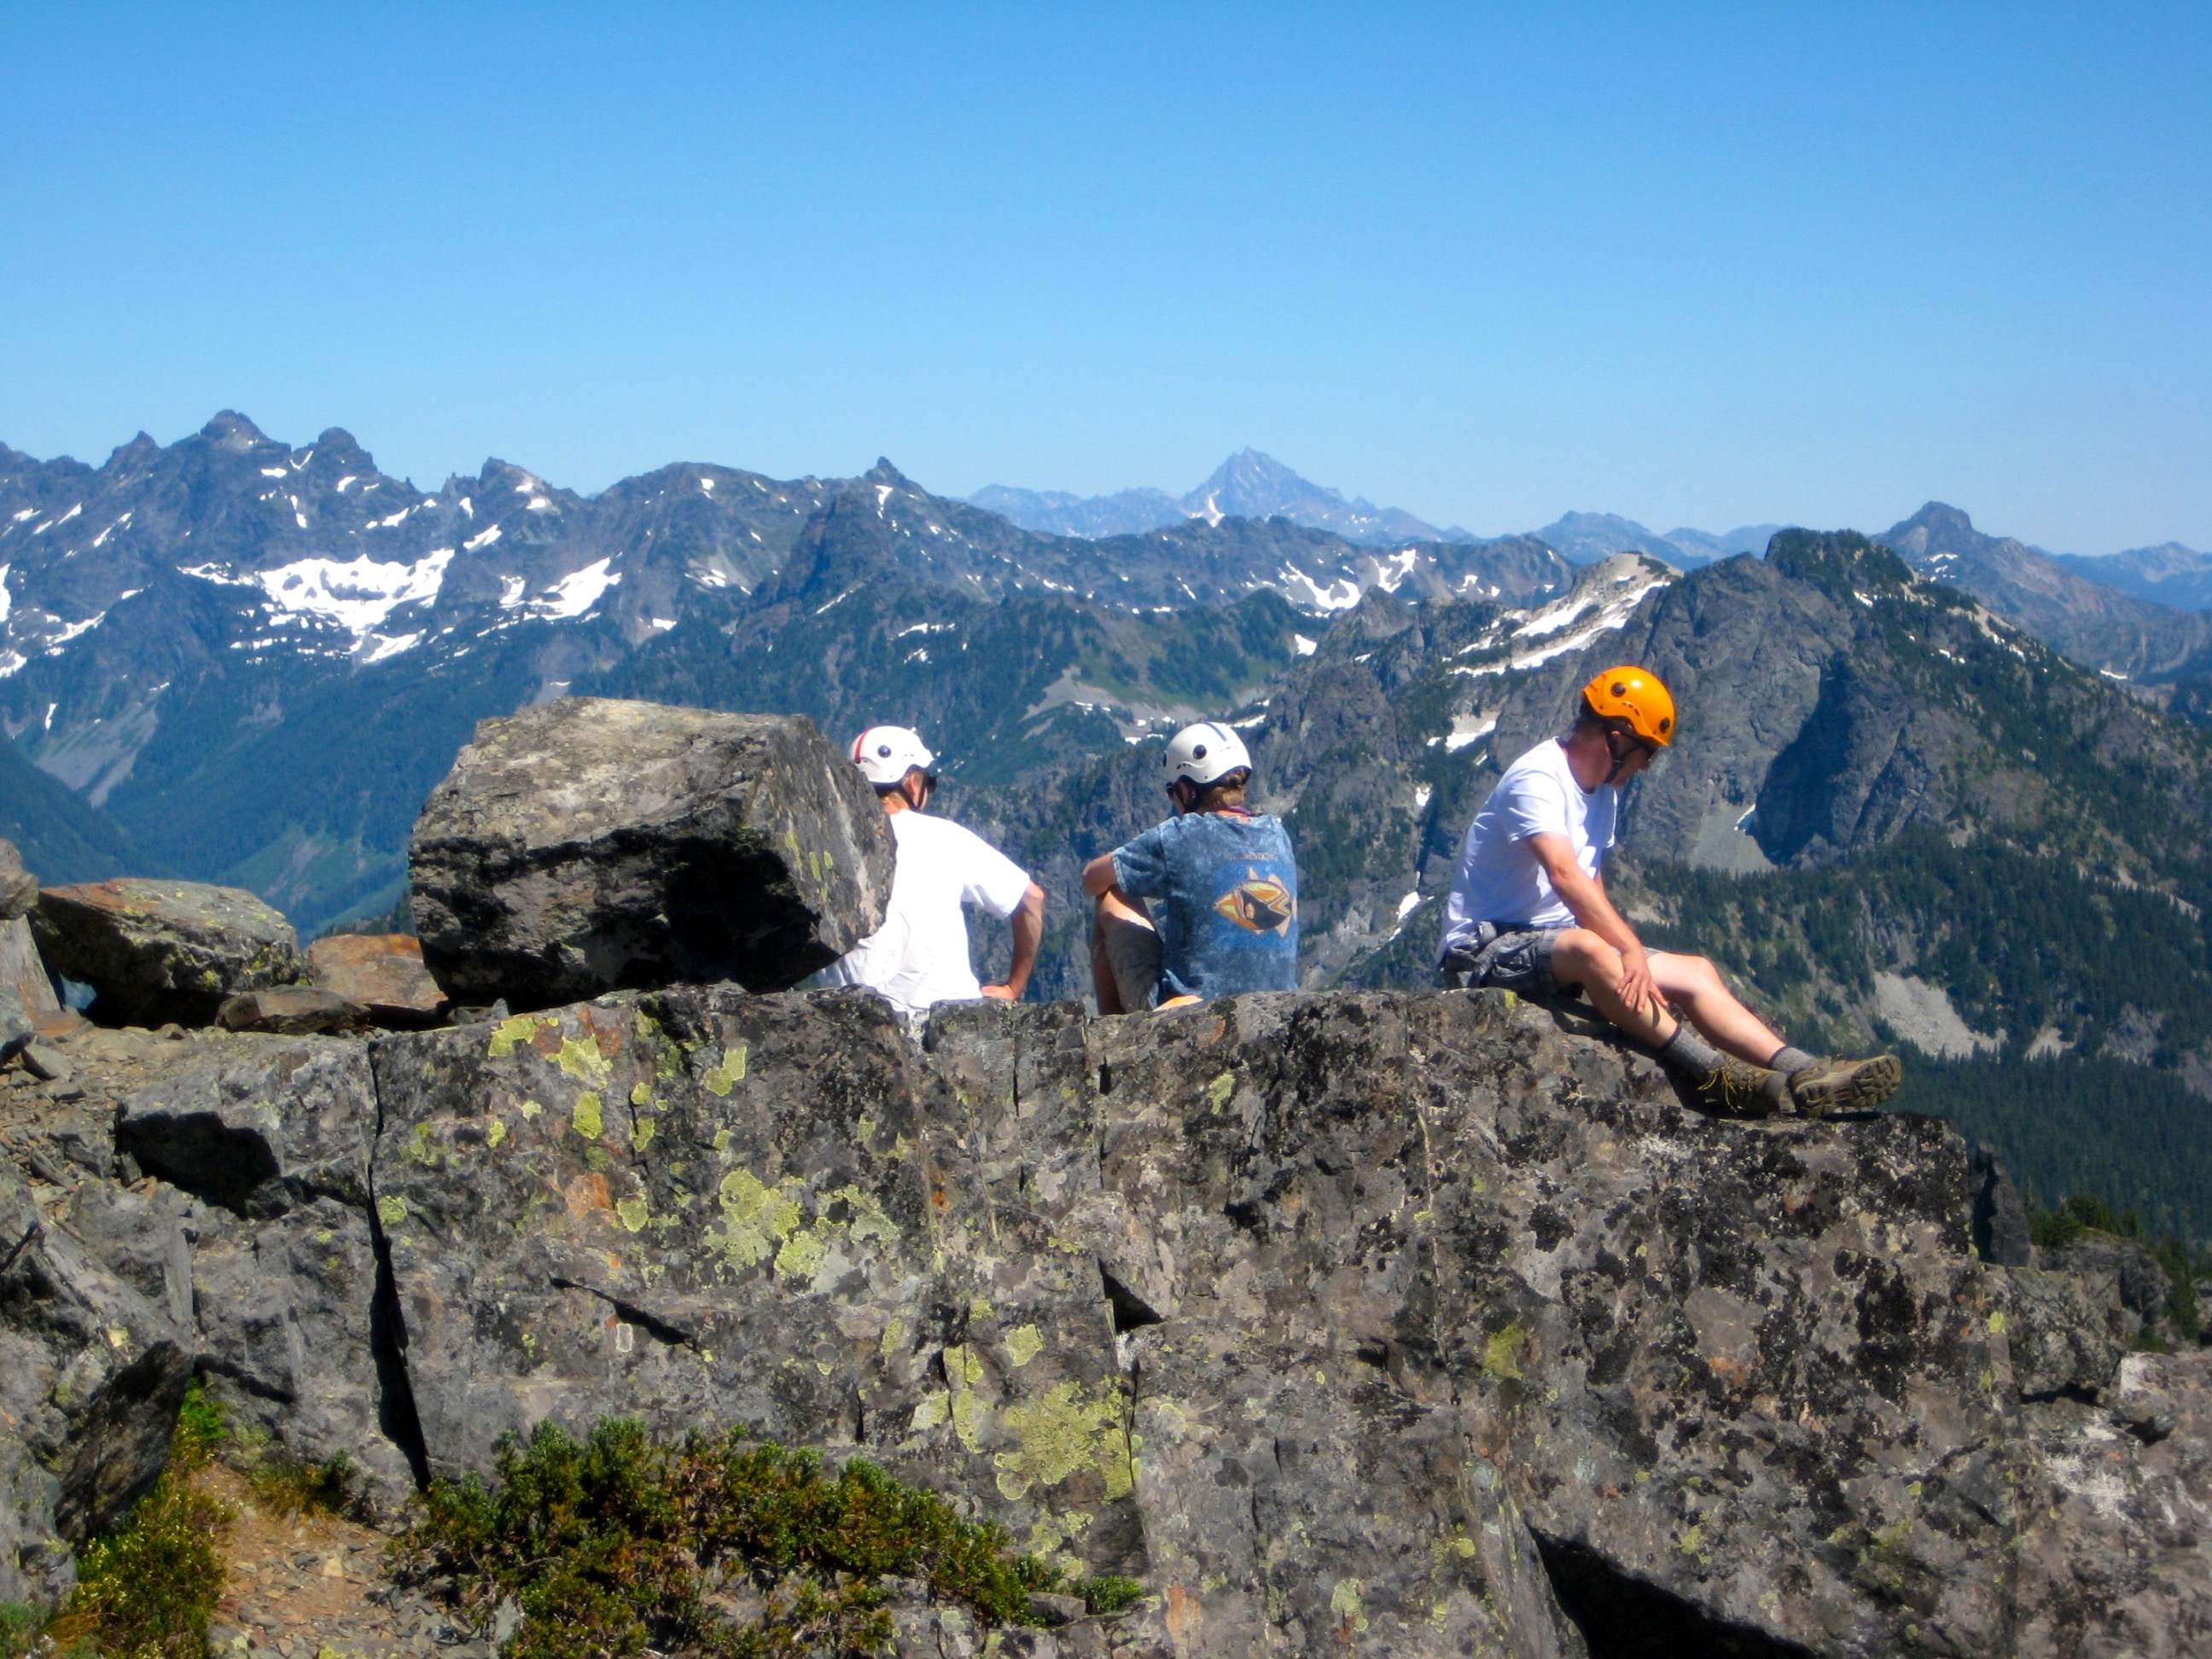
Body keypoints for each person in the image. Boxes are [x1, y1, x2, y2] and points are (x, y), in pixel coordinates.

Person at [1436, 667, 1901, 1115]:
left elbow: (1591, 881)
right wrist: (1627, 949)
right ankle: (1719, 1076)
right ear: (1617, 737)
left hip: (1553, 945)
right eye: (1647, 751)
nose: (1646, 765)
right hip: (1482, 951)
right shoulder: (1537, 778)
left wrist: (1627, 956)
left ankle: (1804, 1071)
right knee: (1590, 948)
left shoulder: (1602, 792)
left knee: (1696, 972)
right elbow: (1564, 875)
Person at [820, 725, 1045, 1020]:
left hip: (851, 1020)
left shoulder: (826, 843)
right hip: (949, 1021)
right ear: (913, 782)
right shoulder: (945, 837)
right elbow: (1031, 899)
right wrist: (1013, 987)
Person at [1081, 721, 1299, 1011]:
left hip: (1192, 1010)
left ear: (1186, 790)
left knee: (1112, 892)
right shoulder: (1277, 832)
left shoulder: (1179, 836)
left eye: (1172, 791)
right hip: (1278, 1006)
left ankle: (1113, 1028)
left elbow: (1091, 878)